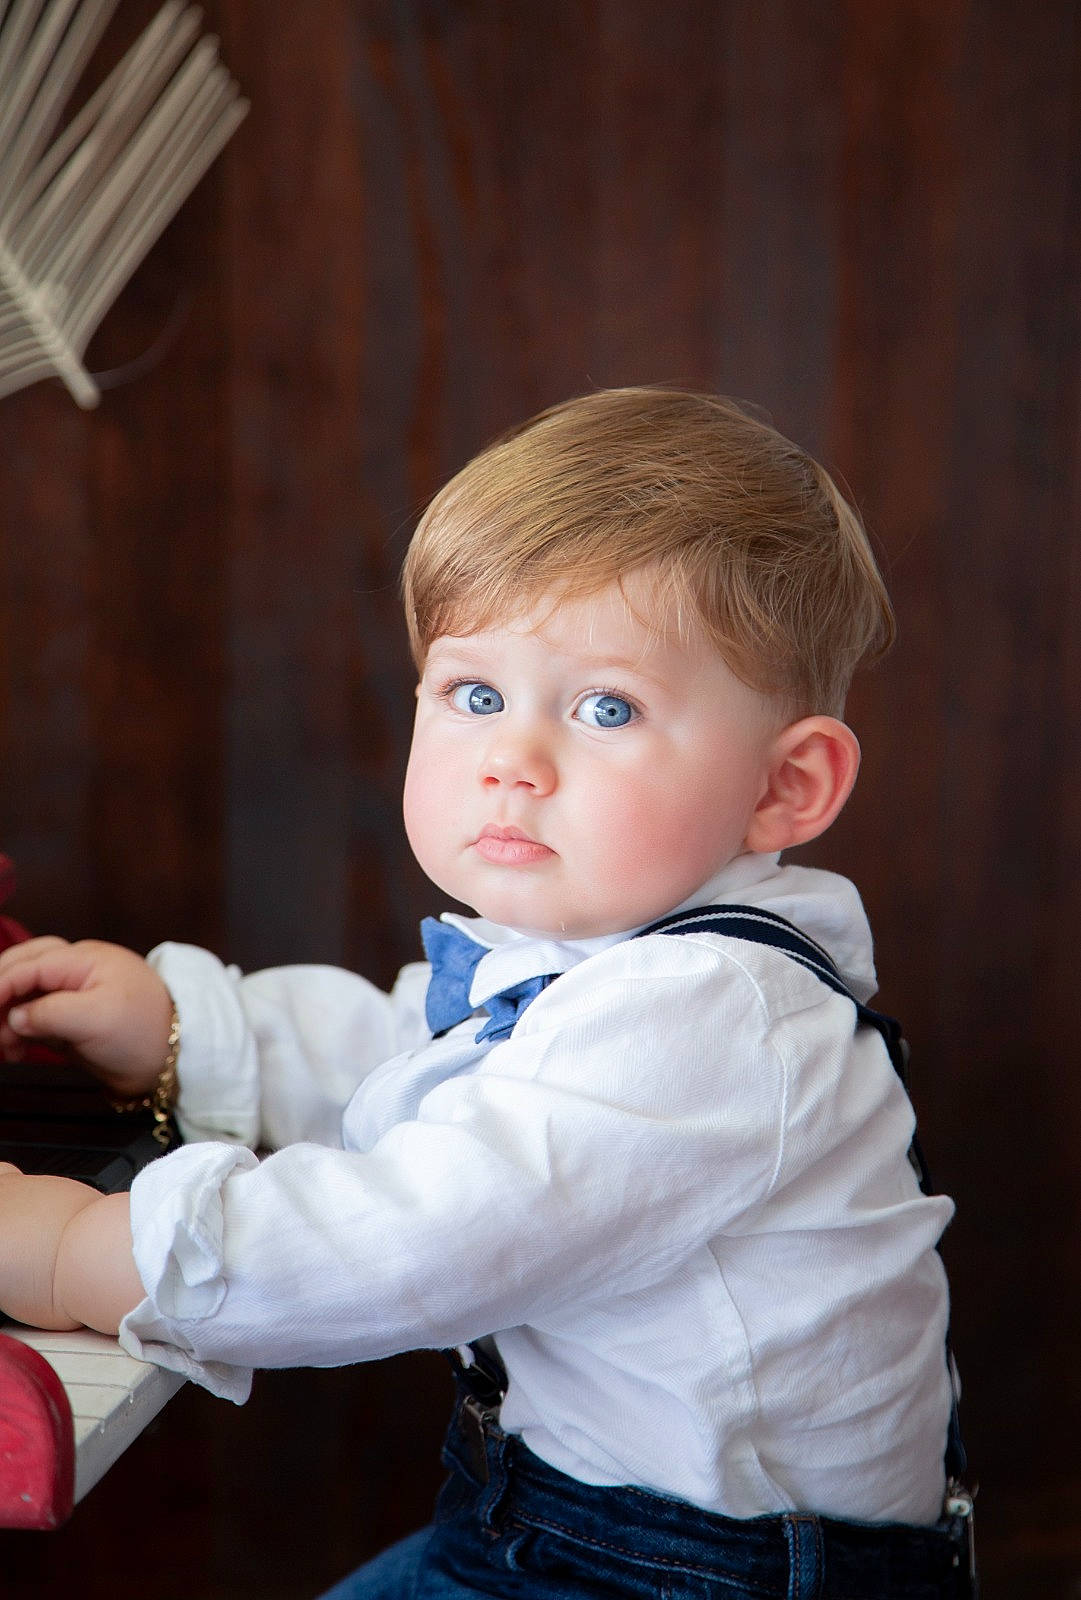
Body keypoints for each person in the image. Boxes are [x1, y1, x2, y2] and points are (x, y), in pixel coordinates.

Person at [0, 388, 974, 1598]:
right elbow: (427, 1054)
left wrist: (73, 1248)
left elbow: (413, 1236)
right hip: (562, 1526)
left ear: (784, 787)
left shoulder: (710, 1012)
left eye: (606, 707)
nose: (513, 757)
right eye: (472, 695)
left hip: (691, 1576)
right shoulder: (609, 957)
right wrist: (188, 1031)